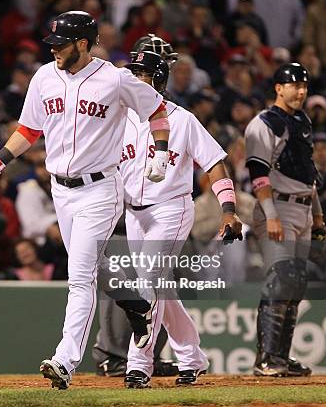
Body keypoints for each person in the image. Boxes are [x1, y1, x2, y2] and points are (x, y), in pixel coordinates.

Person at [0, 11, 171, 390]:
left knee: (79, 276)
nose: (55, 51)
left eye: (61, 44)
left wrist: (160, 152)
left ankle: (65, 360)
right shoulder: (45, 75)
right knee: (90, 268)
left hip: (100, 188)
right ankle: (138, 305)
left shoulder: (115, 78)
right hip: (60, 190)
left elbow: (157, 111)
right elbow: (30, 129)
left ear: (83, 43)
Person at [107, 40, 242, 389]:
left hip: (171, 207)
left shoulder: (182, 120)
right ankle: (192, 357)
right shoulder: (117, 120)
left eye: (144, 74)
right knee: (162, 290)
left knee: (148, 282)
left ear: (160, 81)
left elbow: (214, 163)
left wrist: (228, 210)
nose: (136, 80)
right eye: (133, 73)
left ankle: (139, 363)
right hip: (134, 215)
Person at [245, 62, 326, 377]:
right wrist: (271, 216)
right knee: (280, 279)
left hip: (303, 208)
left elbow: (308, 172)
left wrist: (317, 214)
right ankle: (266, 359)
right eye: (295, 85)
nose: (301, 91)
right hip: (277, 208)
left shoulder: (302, 120)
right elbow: (257, 174)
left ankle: (281, 357)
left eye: (304, 85)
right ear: (279, 88)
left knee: (295, 285)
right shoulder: (263, 123)